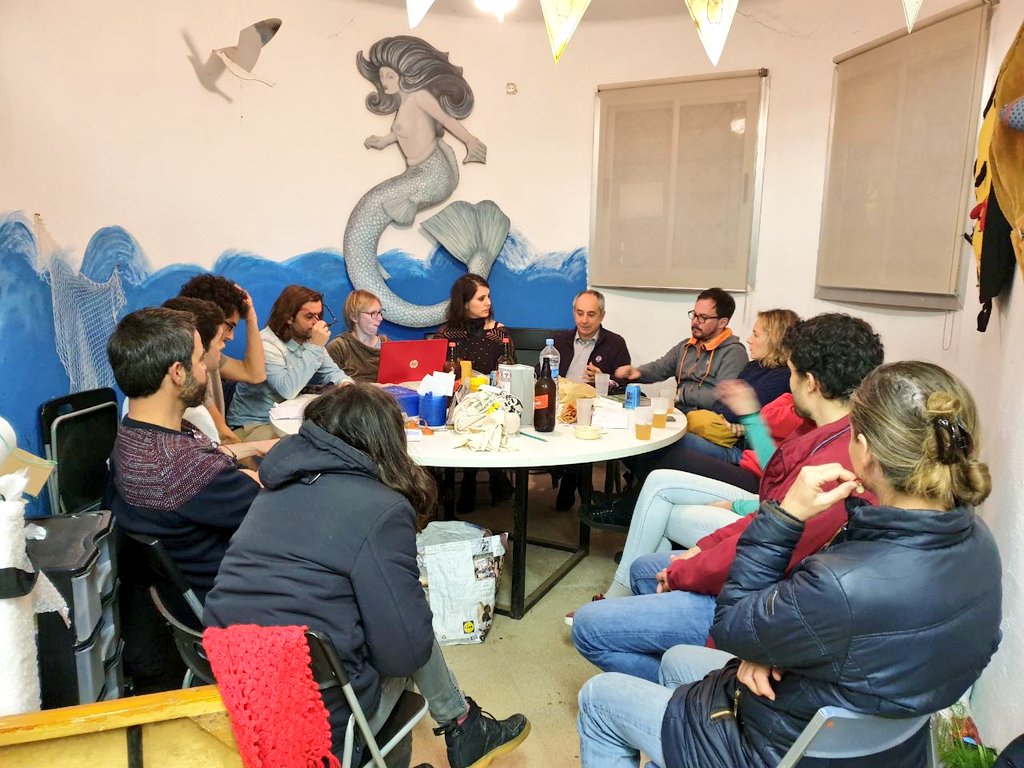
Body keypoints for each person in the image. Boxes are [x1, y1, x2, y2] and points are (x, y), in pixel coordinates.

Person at [577, 360, 1002, 768]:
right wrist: (778, 650)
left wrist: (785, 517)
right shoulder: (978, 545)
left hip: (772, 745)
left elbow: (732, 626)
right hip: (858, 737)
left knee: (599, 699)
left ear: (865, 450)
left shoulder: (843, 580)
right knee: (676, 662)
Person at [204, 384, 530, 768]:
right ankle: (461, 727)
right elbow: (405, 652)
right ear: (386, 441)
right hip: (320, 720)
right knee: (410, 627)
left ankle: (464, 725)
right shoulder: (382, 508)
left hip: (237, 695)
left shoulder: (273, 490)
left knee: (390, 613)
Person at [570, 314, 885, 678]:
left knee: (589, 628)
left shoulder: (835, 468)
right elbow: (769, 518)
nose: (789, 382)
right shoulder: (825, 434)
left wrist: (685, 571)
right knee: (644, 569)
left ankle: (694, 688)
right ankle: (677, 660)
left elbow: (762, 547)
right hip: (757, 575)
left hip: (757, 603)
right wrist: (703, 548)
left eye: (793, 374)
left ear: (811, 383)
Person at [584, 308, 800, 529]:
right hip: (722, 435)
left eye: (755, 334)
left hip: (738, 451)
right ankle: (633, 502)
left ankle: (629, 511)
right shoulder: (753, 366)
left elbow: (735, 411)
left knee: (667, 449)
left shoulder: (778, 377)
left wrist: (735, 414)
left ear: (774, 338)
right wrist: (637, 372)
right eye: (694, 315)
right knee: (651, 441)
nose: (749, 339)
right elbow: (723, 403)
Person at [104, 308, 261, 601]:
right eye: (200, 360)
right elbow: (274, 510)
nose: (205, 369)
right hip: (231, 597)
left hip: (171, 594)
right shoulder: (184, 468)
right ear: (178, 372)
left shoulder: (130, 434)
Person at [228, 285, 352, 441]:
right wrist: (315, 347)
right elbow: (288, 389)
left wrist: (347, 385)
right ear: (289, 317)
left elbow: (333, 372)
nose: (317, 323)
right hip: (253, 424)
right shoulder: (266, 343)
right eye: (309, 316)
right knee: (307, 447)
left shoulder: (309, 338)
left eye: (319, 315)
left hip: (288, 419)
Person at [437, 273, 515, 512]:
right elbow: (441, 376)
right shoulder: (446, 335)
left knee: (488, 418)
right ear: (464, 303)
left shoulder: (499, 333)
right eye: (481, 298)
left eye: (489, 297)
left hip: (493, 402)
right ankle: (490, 476)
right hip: (458, 404)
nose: (488, 302)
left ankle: (470, 481)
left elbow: (511, 371)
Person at [552, 289, 632, 511]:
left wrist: (602, 379)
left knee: (582, 433)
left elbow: (624, 384)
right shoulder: (560, 340)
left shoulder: (615, 343)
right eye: (579, 313)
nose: (584, 320)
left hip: (595, 410)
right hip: (561, 407)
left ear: (602, 315)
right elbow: (542, 373)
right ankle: (581, 487)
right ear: (573, 313)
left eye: (591, 314)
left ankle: (572, 483)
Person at [614, 287, 747, 414]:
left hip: (706, 420)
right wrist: (638, 372)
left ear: (722, 322)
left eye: (703, 317)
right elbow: (660, 367)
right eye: (694, 315)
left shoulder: (733, 352)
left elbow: (725, 397)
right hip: (679, 414)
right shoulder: (686, 346)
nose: (695, 322)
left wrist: (682, 394)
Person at [178, 274, 267, 443]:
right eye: (230, 326)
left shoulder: (209, 356)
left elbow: (255, 374)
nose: (231, 337)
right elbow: (223, 435)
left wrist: (251, 319)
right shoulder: (192, 370)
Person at [326, 289, 389, 382]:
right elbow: (330, 383)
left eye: (380, 312)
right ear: (354, 317)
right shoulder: (339, 347)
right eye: (373, 313)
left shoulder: (387, 344)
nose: (380, 318)